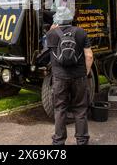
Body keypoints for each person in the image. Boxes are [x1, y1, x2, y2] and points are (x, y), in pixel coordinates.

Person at [46, 16, 94, 145]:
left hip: (59, 78)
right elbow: (89, 56)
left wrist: (51, 30)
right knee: (80, 109)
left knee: (60, 108)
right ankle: (82, 141)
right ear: (71, 19)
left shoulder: (51, 34)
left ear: (57, 20)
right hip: (79, 77)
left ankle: (59, 141)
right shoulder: (81, 32)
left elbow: (46, 51)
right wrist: (86, 72)